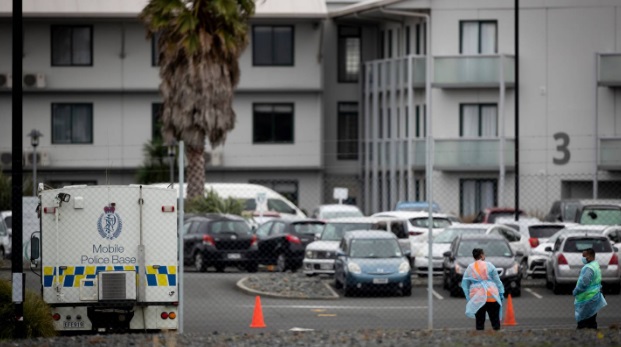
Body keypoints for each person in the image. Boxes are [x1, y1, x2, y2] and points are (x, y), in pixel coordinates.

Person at [461, 248, 505, 331]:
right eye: (483, 254)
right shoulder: (489, 265)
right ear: (481, 255)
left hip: (478, 299)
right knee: (495, 321)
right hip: (492, 296)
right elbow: (497, 281)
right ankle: (497, 337)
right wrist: (501, 292)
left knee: (480, 322)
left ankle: (480, 339)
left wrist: (469, 297)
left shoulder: (470, 268)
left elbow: (465, 284)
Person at [573, 248, 607, 329]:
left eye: (584, 256)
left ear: (590, 256)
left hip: (587, 298)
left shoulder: (589, 268)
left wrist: (576, 291)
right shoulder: (595, 265)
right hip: (594, 296)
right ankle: (592, 336)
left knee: (583, 321)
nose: (583, 258)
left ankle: (582, 337)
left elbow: (584, 283)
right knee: (591, 320)